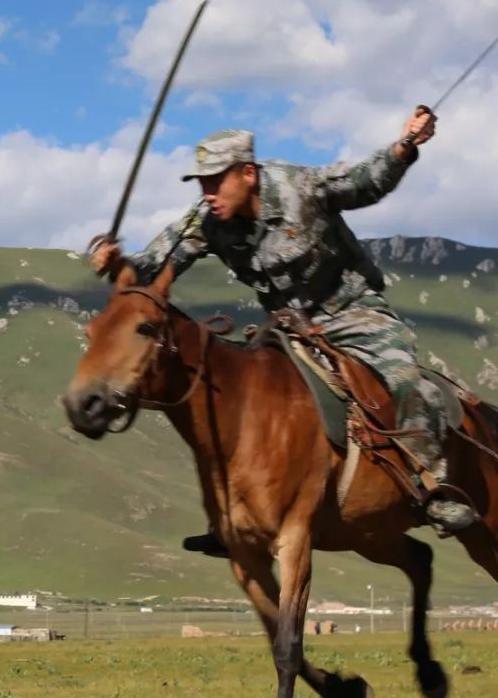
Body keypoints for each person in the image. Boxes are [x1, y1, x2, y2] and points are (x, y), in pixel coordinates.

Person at [90, 106, 477, 553]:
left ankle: (432, 490)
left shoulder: (300, 186)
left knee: (404, 378)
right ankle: (237, 519)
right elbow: (155, 268)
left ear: (247, 173)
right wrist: (114, 260)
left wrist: (404, 145)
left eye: (216, 181)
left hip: (352, 312)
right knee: (228, 392)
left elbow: (364, 182)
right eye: (202, 183)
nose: (207, 193)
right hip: (287, 327)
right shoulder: (206, 221)